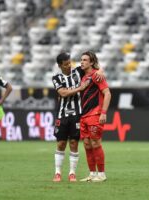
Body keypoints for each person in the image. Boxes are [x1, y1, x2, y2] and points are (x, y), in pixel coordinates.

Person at [52, 52, 104, 182]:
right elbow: (63, 93)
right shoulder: (56, 78)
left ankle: (72, 173)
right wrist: (80, 89)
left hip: (77, 115)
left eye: (70, 63)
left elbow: (95, 67)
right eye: (65, 64)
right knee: (61, 143)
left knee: (74, 143)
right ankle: (57, 172)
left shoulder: (77, 72)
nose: (69, 66)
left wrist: (101, 71)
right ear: (60, 66)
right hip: (62, 114)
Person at [79, 51, 111, 182]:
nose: (82, 62)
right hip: (83, 116)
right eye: (81, 59)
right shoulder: (82, 75)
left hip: (95, 114)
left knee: (95, 143)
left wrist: (103, 112)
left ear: (91, 62)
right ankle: (92, 173)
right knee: (87, 144)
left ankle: (102, 174)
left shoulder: (97, 76)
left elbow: (107, 93)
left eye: (85, 60)